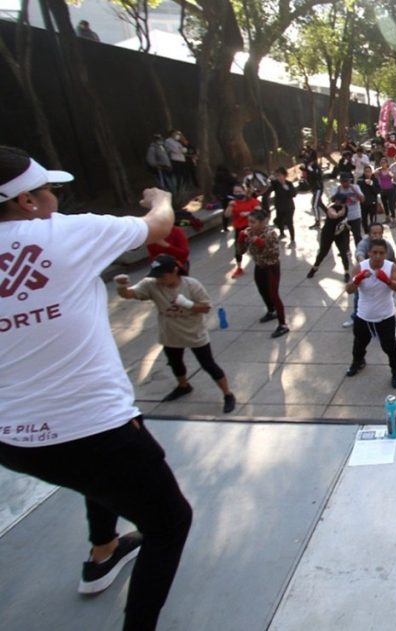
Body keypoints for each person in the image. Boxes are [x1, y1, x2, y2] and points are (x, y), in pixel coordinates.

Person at [0, 147, 191, 631]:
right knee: (169, 523)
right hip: (95, 430)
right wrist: (160, 195)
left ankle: (103, 553)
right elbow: (158, 226)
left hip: (12, 440)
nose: (55, 198)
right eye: (49, 191)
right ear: (26, 201)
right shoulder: (66, 234)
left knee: (99, 480)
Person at [115, 255, 236, 413]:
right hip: (170, 333)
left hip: (194, 332)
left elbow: (206, 307)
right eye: (156, 276)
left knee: (208, 364)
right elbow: (129, 294)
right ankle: (183, 386)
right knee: (175, 363)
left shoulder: (191, 285)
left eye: (162, 276)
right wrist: (121, 286)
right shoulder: (151, 284)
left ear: (174, 271)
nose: (159, 280)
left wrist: (187, 304)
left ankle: (228, 394)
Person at [344, 239, 396, 388]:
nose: (378, 256)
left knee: (389, 346)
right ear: (369, 253)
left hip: (385, 316)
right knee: (359, 343)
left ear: (385, 254)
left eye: (381, 253)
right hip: (363, 316)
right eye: (375, 253)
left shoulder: (391, 267)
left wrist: (387, 281)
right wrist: (357, 279)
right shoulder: (360, 267)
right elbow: (349, 289)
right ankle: (358, 362)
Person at [241, 209, 289, 338]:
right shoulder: (249, 232)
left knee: (274, 294)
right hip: (259, 266)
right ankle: (271, 311)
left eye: (253, 222)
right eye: (249, 221)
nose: (250, 225)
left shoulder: (270, 233)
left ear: (262, 222)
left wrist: (258, 242)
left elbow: (273, 253)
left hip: (271, 267)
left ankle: (283, 324)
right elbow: (240, 251)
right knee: (262, 290)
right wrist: (241, 241)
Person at [225, 184, 260, 278]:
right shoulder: (233, 203)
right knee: (238, 249)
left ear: (244, 191)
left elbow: (259, 210)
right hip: (239, 229)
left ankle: (262, 264)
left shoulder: (252, 201)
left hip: (252, 228)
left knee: (256, 247)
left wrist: (248, 213)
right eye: (235, 192)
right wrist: (229, 206)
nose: (237, 194)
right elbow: (226, 215)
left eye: (239, 191)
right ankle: (239, 268)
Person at [269, 167, 296, 243]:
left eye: (280, 175)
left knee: (289, 222)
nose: (279, 177)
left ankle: (292, 239)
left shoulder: (289, 184)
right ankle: (282, 233)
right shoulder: (275, 184)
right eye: (277, 175)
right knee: (279, 221)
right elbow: (270, 181)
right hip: (279, 206)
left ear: (284, 175)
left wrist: (285, 186)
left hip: (289, 207)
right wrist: (272, 178)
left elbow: (293, 194)